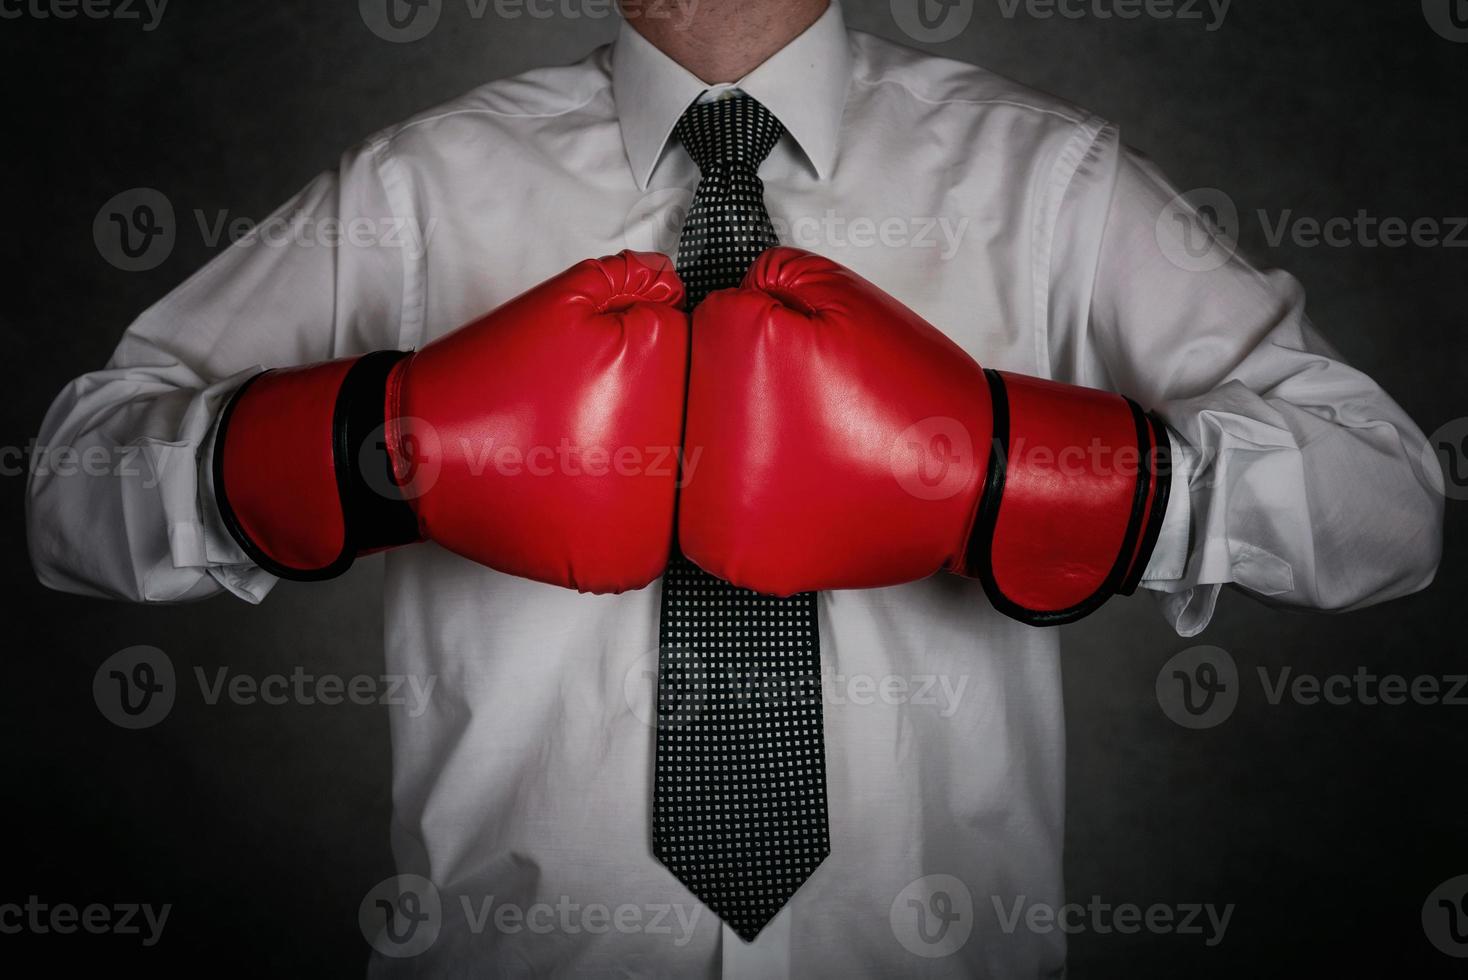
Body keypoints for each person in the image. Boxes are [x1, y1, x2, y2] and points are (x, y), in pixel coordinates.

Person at [26, 0, 1443, 975]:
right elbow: (72, 485)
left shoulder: (1043, 182)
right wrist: (378, 452)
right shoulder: (421, 188)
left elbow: (1386, 502)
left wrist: (1014, 472)